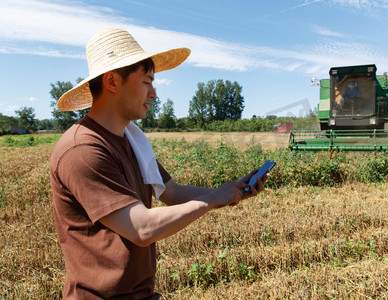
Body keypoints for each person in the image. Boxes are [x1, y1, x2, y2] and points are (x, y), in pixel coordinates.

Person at [49, 28, 268, 299]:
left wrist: (227, 192)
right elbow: (141, 228)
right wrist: (211, 201)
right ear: (112, 82)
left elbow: (171, 192)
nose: (153, 94)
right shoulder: (83, 149)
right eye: (146, 82)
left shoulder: (131, 139)